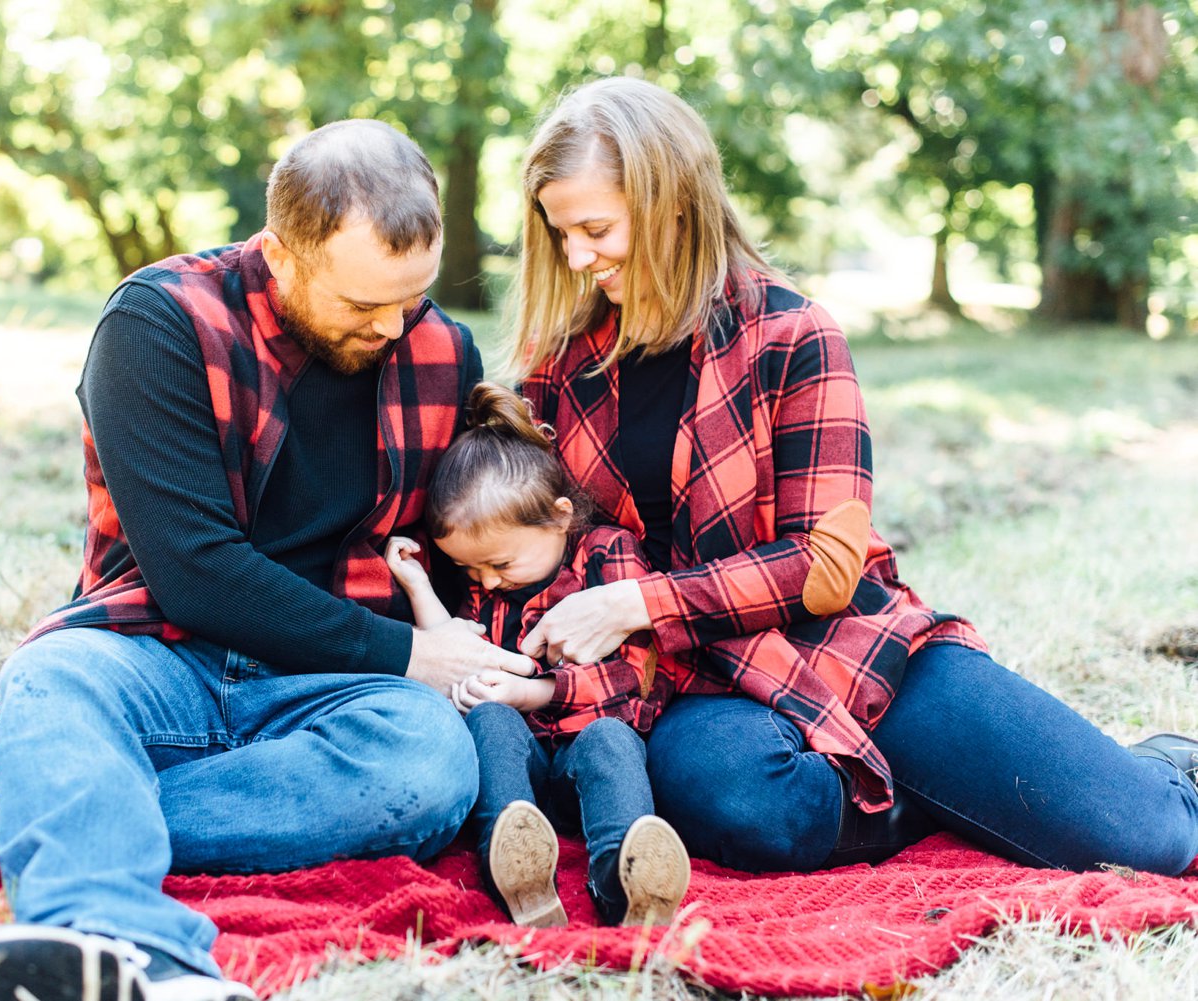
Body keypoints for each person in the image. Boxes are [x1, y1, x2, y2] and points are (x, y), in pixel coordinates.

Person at [0, 119, 537, 1001]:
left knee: (431, 763)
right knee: (53, 676)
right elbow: (195, 568)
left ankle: (33, 809)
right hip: (158, 644)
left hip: (324, 678)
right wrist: (404, 654)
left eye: (413, 297)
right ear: (281, 255)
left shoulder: (441, 350)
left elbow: (449, 546)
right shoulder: (159, 323)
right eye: (364, 306)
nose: (395, 327)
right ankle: (127, 946)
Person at [508, 76, 1198, 878]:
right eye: (561, 234)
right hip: (696, 683)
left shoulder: (792, 333)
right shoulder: (561, 369)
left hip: (853, 648)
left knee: (1148, 839)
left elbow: (825, 568)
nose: (576, 256)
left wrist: (638, 599)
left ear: (673, 205)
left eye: (595, 228)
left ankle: (1159, 764)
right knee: (749, 803)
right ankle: (913, 796)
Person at [384, 381, 691, 928]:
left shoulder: (606, 555)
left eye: (500, 565)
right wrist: (419, 587)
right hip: (522, 769)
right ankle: (517, 871)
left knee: (610, 740)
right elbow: (458, 651)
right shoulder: (485, 582)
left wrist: (535, 692)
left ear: (559, 516)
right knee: (493, 722)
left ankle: (627, 880)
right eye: (472, 571)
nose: (488, 581)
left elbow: (636, 678)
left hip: (585, 755)